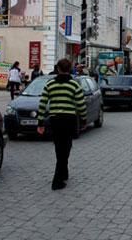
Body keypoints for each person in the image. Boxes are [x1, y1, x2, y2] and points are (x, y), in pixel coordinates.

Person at [37, 58, 87, 191]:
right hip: (69, 119)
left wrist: (40, 122)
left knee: (59, 147)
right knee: (66, 147)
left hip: (55, 120)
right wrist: (83, 120)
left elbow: (42, 104)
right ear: (70, 69)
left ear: (58, 69)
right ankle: (57, 180)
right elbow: (81, 104)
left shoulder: (50, 84)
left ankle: (64, 173)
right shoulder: (74, 85)